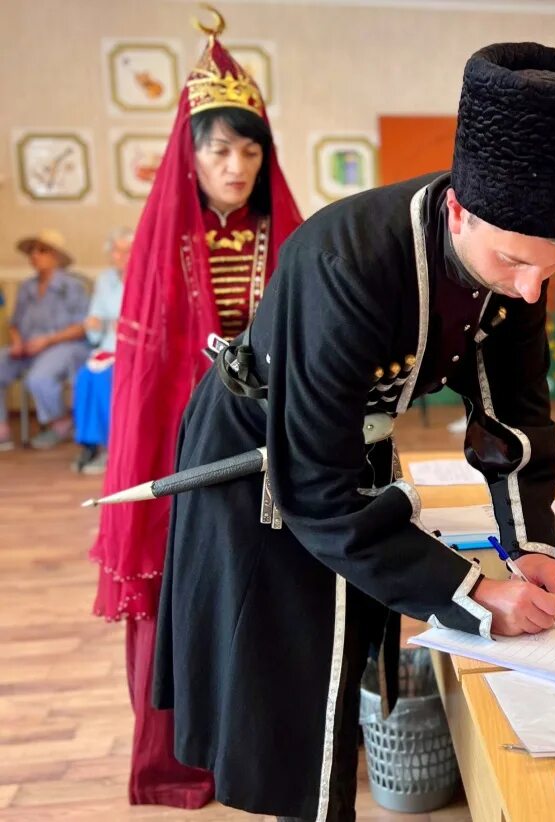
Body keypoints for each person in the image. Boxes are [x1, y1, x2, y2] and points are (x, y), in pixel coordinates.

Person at [151, 42, 555, 821]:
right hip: (259, 458)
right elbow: (313, 488)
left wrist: (530, 551)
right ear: (457, 209)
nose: (530, 287)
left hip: (352, 446)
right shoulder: (347, 267)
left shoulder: (521, 261)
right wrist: (476, 594)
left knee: (351, 643)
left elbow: (513, 418)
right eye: (514, 261)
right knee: (297, 679)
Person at [88, 11, 302, 809]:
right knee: (184, 593)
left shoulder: (286, 234)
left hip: (267, 442)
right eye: (218, 148)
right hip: (182, 448)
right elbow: (148, 375)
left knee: (267, 591)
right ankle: (180, 762)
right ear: (192, 153)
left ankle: (266, 751)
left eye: (249, 148)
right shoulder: (161, 244)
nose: (236, 164)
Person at [0, 229, 89, 450]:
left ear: (56, 256)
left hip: (64, 345)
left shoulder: (72, 286)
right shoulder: (27, 286)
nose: (34, 255)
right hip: (28, 347)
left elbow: (81, 327)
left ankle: (60, 424)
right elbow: (15, 322)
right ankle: (2, 429)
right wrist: (18, 341)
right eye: (32, 251)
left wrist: (47, 341)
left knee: (39, 378)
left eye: (42, 250)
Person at [72, 228, 133, 474]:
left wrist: (124, 325)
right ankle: (89, 444)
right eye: (116, 251)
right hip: (109, 345)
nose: (121, 256)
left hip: (135, 348)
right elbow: (95, 323)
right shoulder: (104, 280)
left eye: (127, 251)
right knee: (85, 377)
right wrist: (94, 325)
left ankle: (113, 447)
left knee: (105, 380)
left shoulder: (148, 275)